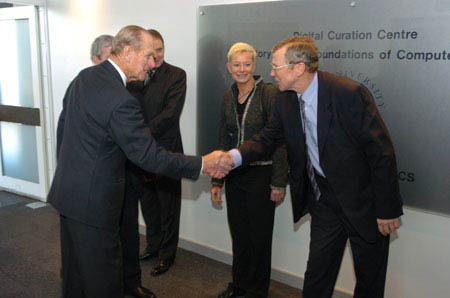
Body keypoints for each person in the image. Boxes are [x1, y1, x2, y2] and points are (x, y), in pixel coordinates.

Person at [48, 25, 233, 298]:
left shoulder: (86, 77)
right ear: (127, 52)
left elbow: (65, 128)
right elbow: (148, 155)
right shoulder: (121, 99)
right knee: (102, 283)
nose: (153, 63)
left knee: (76, 278)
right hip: (94, 205)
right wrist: (203, 163)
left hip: (69, 196)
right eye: (148, 56)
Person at [224, 36, 403, 298]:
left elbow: (381, 153)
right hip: (325, 201)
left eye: (276, 67)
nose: (271, 73)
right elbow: (268, 137)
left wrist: (387, 209)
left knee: (369, 280)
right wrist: (232, 157)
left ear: (298, 68)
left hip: (364, 203)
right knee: (317, 274)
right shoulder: (286, 99)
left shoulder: (348, 93)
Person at [210, 42, 288, 298]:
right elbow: (223, 138)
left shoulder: (269, 94)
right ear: (229, 67)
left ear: (255, 66)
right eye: (236, 64)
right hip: (234, 175)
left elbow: (279, 140)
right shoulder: (227, 96)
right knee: (240, 235)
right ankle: (240, 285)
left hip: (261, 176)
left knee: (259, 238)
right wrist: (217, 180)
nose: (242, 69)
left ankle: (256, 292)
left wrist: (278, 182)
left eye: (247, 64)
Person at [125, 29, 186, 277]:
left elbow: (170, 115)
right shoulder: (135, 75)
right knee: (148, 204)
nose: (156, 55)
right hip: (141, 155)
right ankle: (152, 246)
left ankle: (167, 255)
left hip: (167, 150)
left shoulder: (176, 75)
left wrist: (139, 132)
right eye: (152, 51)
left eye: (160, 49)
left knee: (168, 206)